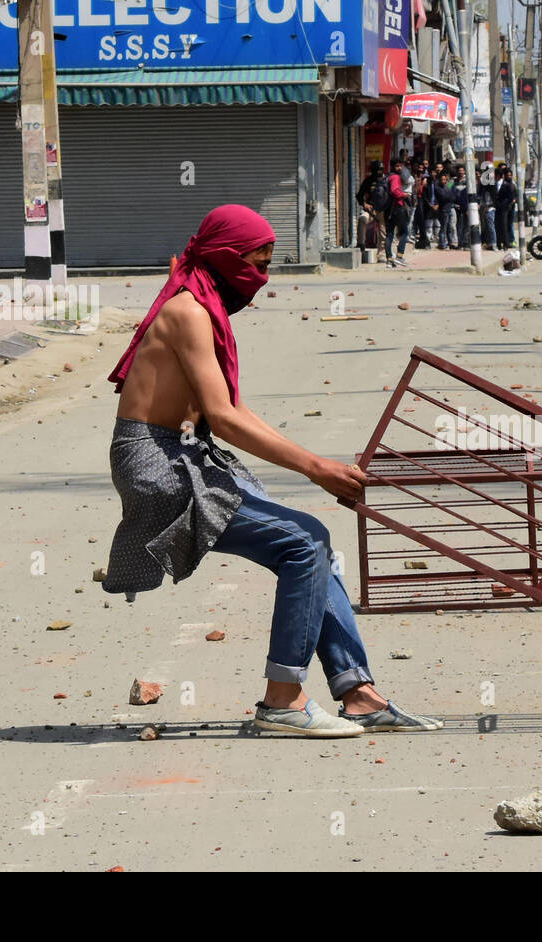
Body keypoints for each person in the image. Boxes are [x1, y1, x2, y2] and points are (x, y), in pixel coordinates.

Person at [104, 205, 442, 736]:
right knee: (302, 544)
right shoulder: (189, 311)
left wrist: (318, 463)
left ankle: (359, 694)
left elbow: (232, 409)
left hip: (184, 450)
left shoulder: (203, 302)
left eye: (266, 263)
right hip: (159, 461)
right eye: (253, 262)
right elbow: (224, 419)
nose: (259, 276)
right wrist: (314, 468)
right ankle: (282, 699)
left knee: (312, 542)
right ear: (222, 257)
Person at [383, 158, 411, 268]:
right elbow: (394, 191)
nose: (399, 168)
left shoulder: (387, 177)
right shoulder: (395, 177)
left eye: (401, 166)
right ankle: (399, 256)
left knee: (389, 234)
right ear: (393, 167)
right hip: (397, 208)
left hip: (388, 209)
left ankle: (389, 260)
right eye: (397, 166)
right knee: (404, 232)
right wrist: (403, 195)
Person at [355, 160, 385, 260]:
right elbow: (359, 195)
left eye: (379, 170)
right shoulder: (368, 181)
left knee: (383, 232)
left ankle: (381, 255)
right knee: (362, 219)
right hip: (371, 209)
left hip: (383, 210)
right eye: (375, 170)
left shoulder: (386, 180)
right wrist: (364, 204)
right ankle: (361, 245)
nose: (378, 173)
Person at [434, 171, 457, 249]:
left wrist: (449, 197)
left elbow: (454, 197)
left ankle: (450, 243)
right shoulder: (437, 188)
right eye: (442, 180)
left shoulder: (447, 187)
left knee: (450, 227)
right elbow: (443, 197)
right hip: (443, 210)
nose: (443, 181)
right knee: (443, 228)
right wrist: (449, 197)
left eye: (445, 180)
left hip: (449, 208)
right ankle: (442, 243)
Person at [496, 167, 517, 249]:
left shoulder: (510, 185)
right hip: (500, 208)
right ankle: (501, 242)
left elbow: (512, 196)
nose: (509, 177)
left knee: (507, 225)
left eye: (510, 175)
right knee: (500, 226)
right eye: (507, 175)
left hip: (507, 208)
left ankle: (507, 243)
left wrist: (507, 204)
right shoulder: (499, 183)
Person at [477, 161, 497, 250]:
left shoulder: (493, 183)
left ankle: (493, 243)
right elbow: (480, 195)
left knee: (490, 226)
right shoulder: (482, 183)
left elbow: (495, 196)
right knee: (484, 226)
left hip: (491, 207)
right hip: (483, 207)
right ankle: (485, 242)